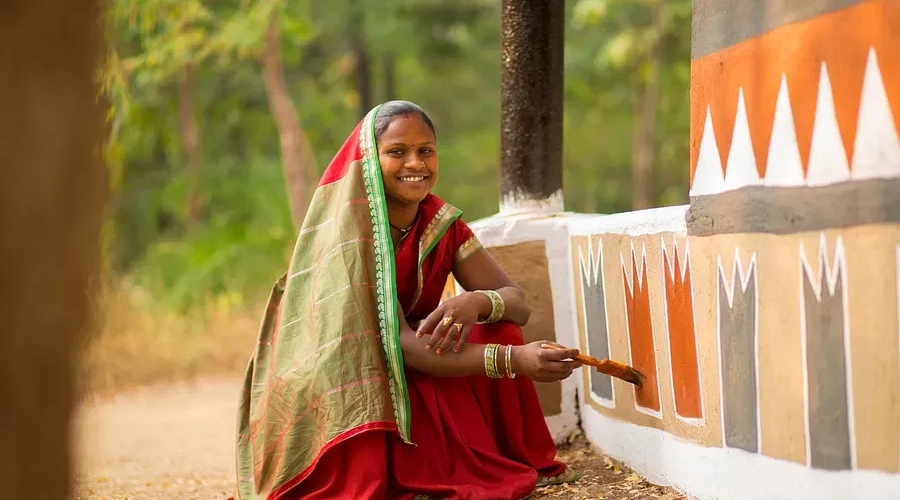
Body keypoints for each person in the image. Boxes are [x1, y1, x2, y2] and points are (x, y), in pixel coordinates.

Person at [233, 101, 582, 500]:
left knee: (498, 325)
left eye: (426, 150)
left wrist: (476, 302)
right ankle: (422, 467)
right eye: (397, 152)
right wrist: (514, 360)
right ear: (369, 161)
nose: (415, 162)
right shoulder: (354, 236)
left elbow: (517, 303)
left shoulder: (440, 222)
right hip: (347, 369)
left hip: (407, 350)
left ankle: (516, 457)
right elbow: (402, 347)